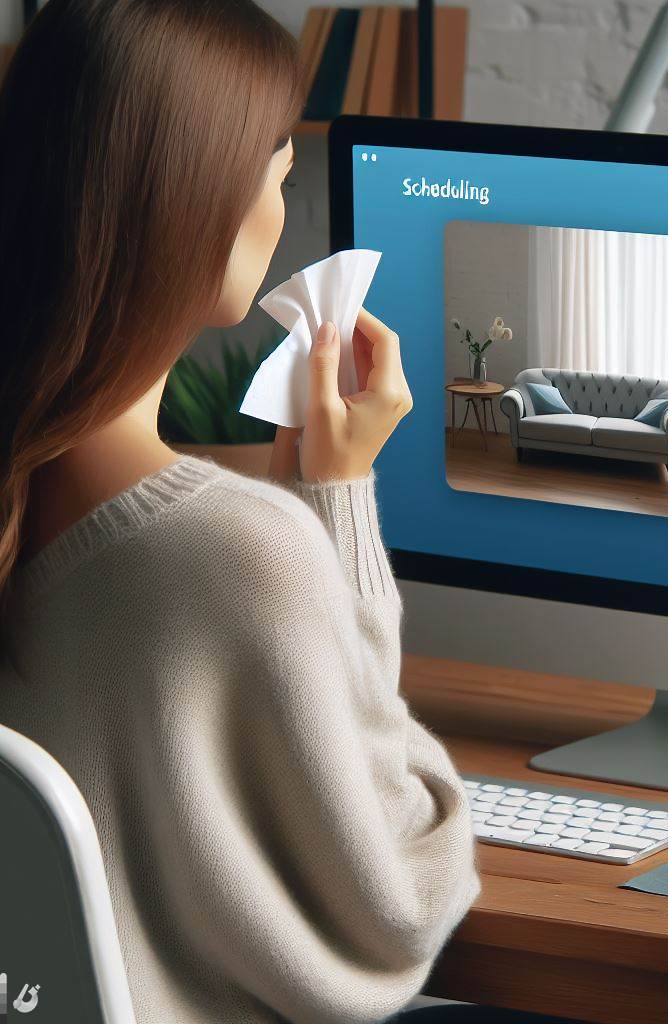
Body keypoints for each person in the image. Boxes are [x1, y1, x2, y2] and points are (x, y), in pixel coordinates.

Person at [0, 2, 486, 1022]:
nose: (283, 206)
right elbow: (390, 901)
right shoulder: (234, 551)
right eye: (281, 179)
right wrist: (335, 500)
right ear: (205, 212)